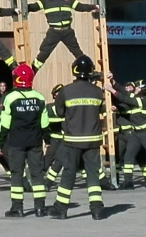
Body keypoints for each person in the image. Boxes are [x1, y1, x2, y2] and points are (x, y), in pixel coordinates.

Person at [47, 56, 105, 220]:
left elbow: (59, 112)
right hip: (93, 139)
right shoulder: (97, 91)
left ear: (74, 70)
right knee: (93, 173)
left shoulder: (66, 90)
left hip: (73, 139)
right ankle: (96, 209)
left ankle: (61, 208)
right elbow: (101, 110)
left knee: (69, 172)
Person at [0, 64, 48, 217]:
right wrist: (48, 139)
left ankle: (17, 208)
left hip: (17, 143)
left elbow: (4, 124)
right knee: (37, 174)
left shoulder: (10, 98)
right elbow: (44, 123)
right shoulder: (39, 97)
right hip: (35, 143)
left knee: (17, 174)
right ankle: (40, 207)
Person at [104, 79, 146, 189]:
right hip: (136, 133)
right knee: (128, 157)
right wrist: (113, 81)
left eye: (138, 87)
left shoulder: (144, 100)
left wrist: (111, 89)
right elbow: (125, 93)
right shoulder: (135, 98)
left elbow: (125, 98)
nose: (136, 88)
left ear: (144, 90)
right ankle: (128, 182)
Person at [28, 0, 98, 73]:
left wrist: (93, 6)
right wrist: (24, 7)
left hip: (67, 32)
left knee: (77, 52)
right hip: (53, 32)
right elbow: (33, 7)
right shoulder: (46, 1)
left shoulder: (68, 0)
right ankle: (31, 73)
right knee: (43, 54)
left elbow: (80, 7)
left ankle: (89, 71)